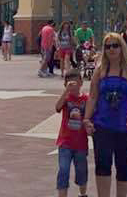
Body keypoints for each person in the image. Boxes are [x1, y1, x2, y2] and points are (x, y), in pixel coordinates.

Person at [83, 33, 127, 197]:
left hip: (126, 125)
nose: (112, 49)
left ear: (121, 47)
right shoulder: (100, 70)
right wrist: (86, 119)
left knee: (123, 164)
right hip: (102, 124)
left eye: (115, 45)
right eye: (108, 46)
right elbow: (93, 96)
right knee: (102, 163)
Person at [55, 68, 89, 197]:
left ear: (81, 83)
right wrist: (66, 92)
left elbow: (89, 116)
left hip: (80, 142)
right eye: (69, 84)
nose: (73, 86)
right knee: (63, 169)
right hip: (65, 142)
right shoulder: (66, 98)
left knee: (81, 170)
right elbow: (57, 107)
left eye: (75, 83)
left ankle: (83, 193)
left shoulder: (86, 99)